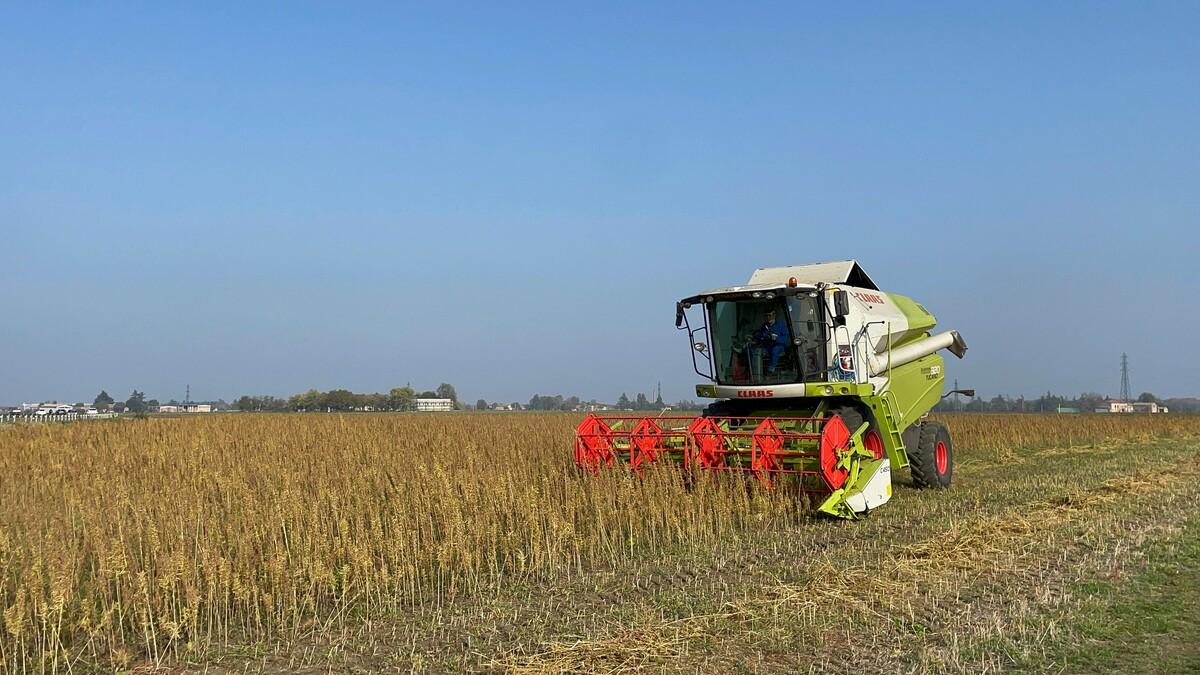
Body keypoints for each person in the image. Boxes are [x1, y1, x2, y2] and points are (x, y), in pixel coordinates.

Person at [753, 309, 790, 374]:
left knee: (775, 350)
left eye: (770, 315)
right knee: (757, 351)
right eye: (767, 315)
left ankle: (771, 370)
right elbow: (758, 333)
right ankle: (755, 370)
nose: (768, 317)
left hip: (779, 346)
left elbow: (786, 338)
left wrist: (776, 339)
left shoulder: (781, 324)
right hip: (767, 346)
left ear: (774, 315)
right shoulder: (765, 325)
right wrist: (758, 335)